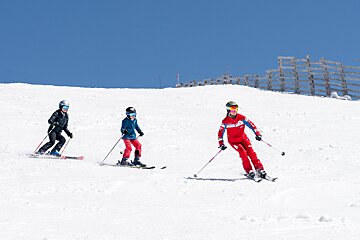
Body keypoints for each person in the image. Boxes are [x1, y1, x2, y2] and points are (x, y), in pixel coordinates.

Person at [217, 101, 267, 179]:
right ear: (228, 110)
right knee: (243, 153)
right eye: (232, 109)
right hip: (234, 141)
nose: (235, 111)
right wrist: (221, 144)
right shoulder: (225, 122)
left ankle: (260, 169)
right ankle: (249, 171)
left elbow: (252, 125)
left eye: (236, 109)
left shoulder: (241, 118)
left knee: (251, 152)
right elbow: (220, 133)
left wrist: (257, 134)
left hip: (243, 138)